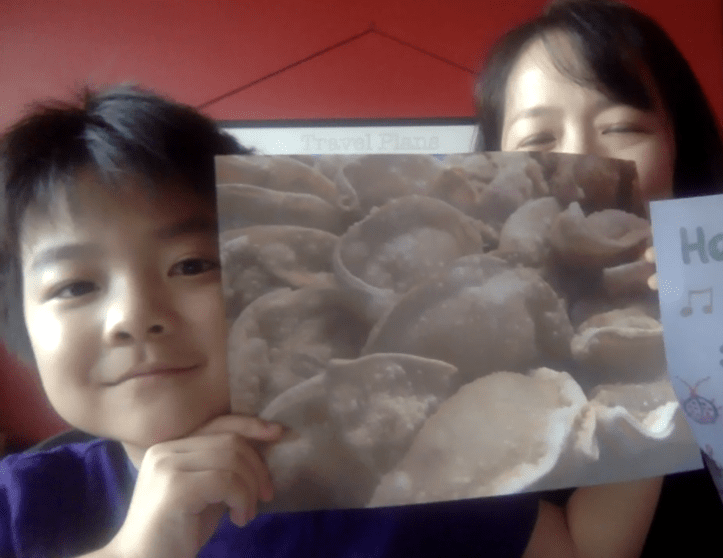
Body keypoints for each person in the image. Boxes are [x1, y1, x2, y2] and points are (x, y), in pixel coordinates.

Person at [0, 85, 547, 558]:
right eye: (75, 286)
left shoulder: (401, 471)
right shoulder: (21, 504)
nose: (134, 317)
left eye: (191, 265)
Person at [474, 1, 723, 556]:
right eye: (537, 140)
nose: (581, 159)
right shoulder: (476, 346)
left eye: (621, 127)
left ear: (680, 148)